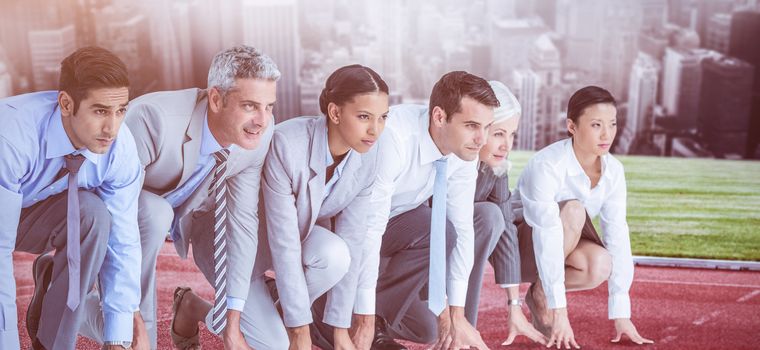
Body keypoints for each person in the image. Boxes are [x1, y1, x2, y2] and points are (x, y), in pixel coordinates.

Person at [81, 45, 279, 349]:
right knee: (154, 214)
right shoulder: (152, 120)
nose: (262, 120)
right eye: (250, 106)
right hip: (114, 212)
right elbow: (117, 212)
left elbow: (241, 223)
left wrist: (232, 324)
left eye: (269, 106)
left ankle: (188, 307)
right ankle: (67, 298)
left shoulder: (258, 134)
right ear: (215, 98)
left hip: (194, 215)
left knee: (270, 344)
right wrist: (133, 321)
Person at [0, 46, 143, 350]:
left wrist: (117, 338)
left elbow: (123, 241)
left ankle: (52, 343)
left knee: (93, 215)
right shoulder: (11, 137)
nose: (112, 128)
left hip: (29, 210)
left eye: (121, 111)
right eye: (100, 111)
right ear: (66, 103)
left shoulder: (120, 149)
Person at [356, 71, 501, 350]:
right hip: (348, 226)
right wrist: (364, 320)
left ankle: (371, 317)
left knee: (425, 330)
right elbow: (370, 227)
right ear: (439, 117)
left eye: (487, 126)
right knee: (431, 226)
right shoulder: (395, 138)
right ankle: (360, 321)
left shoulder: (464, 151)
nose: (482, 139)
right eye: (472, 125)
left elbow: (462, 229)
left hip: (396, 225)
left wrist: (455, 315)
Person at [512, 86, 654, 348]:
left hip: (564, 239)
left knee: (600, 264)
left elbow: (617, 233)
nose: (606, 134)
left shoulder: (614, 171)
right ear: (572, 126)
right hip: (521, 242)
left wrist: (621, 313)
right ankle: (544, 295)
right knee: (575, 210)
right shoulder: (548, 164)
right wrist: (559, 311)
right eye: (596, 124)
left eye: (612, 124)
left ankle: (539, 293)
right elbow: (545, 232)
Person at [264, 64, 389, 350]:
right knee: (279, 341)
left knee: (337, 255)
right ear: (334, 113)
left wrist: (340, 330)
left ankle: (273, 311)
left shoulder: (369, 153)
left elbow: (353, 238)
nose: (375, 129)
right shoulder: (287, 144)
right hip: (258, 239)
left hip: (303, 235)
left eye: (383, 118)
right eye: (364, 117)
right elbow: (284, 244)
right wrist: (300, 332)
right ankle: (196, 307)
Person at [465, 80, 547, 346]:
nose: (507, 145)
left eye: (512, 135)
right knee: (489, 216)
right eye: (499, 134)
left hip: (470, 234)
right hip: (419, 248)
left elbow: (507, 229)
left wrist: (514, 305)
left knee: (505, 214)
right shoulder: (451, 161)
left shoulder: (494, 168)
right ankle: (464, 326)